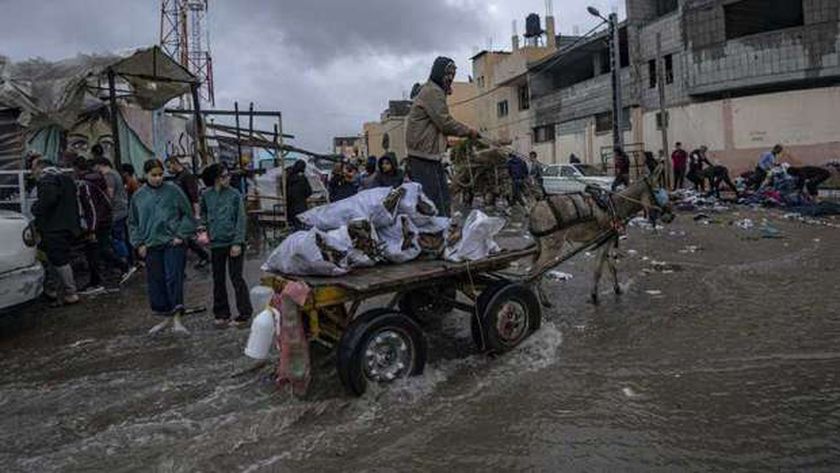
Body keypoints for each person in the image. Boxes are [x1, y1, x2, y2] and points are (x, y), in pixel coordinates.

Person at [405, 56, 479, 217]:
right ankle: (439, 235)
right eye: (448, 74)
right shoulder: (433, 92)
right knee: (436, 203)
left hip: (428, 156)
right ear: (439, 73)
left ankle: (442, 232)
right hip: (424, 156)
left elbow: (437, 127)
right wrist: (469, 131)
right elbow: (445, 123)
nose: (451, 78)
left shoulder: (433, 91)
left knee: (442, 199)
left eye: (453, 74)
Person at [129, 159, 196, 335]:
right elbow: (133, 222)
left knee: (174, 278)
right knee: (157, 282)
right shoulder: (138, 196)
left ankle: (177, 319)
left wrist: (181, 235)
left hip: (172, 243)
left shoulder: (173, 190)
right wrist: (139, 243)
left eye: (160, 174)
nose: (158, 178)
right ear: (145, 175)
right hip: (151, 244)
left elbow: (188, 214)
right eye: (154, 175)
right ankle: (166, 317)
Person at [199, 164, 252, 329]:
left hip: (234, 243)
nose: (228, 178)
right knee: (218, 279)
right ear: (215, 178)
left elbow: (241, 220)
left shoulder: (235, 195)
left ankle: (244, 313)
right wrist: (203, 230)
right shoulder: (206, 195)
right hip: (216, 243)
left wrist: (237, 242)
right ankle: (221, 313)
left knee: (236, 278)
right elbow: (203, 214)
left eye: (228, 175)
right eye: (223, 176)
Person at [73, 156, 130, 292]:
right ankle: (121, 266)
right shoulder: (98, 178)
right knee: (103, 248)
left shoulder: (86, 183)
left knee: (99, 249)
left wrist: (91, 228)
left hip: (99, 221)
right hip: (105, 218)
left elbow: (92, 206)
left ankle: (118, 268)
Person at [30, 158, 81, 306]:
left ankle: (70, 292)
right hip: (68, 226)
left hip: (54, 227)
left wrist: (35, 208)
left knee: (59, 260)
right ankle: (56, 291)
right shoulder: (67, 180)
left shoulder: (47, 181)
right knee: (58, 259)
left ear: (40, 168)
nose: (32, 172)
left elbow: (48, 200)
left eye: (33, 169)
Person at [165, 157, 210, 268]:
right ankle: (202, 256)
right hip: (179, 212)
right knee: (186, 239)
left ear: (175, 163)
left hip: (187, 211)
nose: (168, 170)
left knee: (186, 238)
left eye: (169, 166)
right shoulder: (177, 177)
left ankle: (203, 256)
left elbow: (194, 196)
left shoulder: (187, 176)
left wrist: (196, 214)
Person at [93, 156, 133, 276]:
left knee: (116, 238)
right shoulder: (115, 173)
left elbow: (109, 194)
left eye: (96, 167)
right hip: (122, 209)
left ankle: (124, 262)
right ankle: (127, 261)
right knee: (120, 236)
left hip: (116, 211)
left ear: (100, 165)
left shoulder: (109, 176)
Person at [285, 159, 312, 230]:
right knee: (301, 227)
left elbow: (285, 192)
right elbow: (309, 191)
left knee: (294, 226)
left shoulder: (289, 178)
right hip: (301, 206)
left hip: (290, 207)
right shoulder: (302, 178)